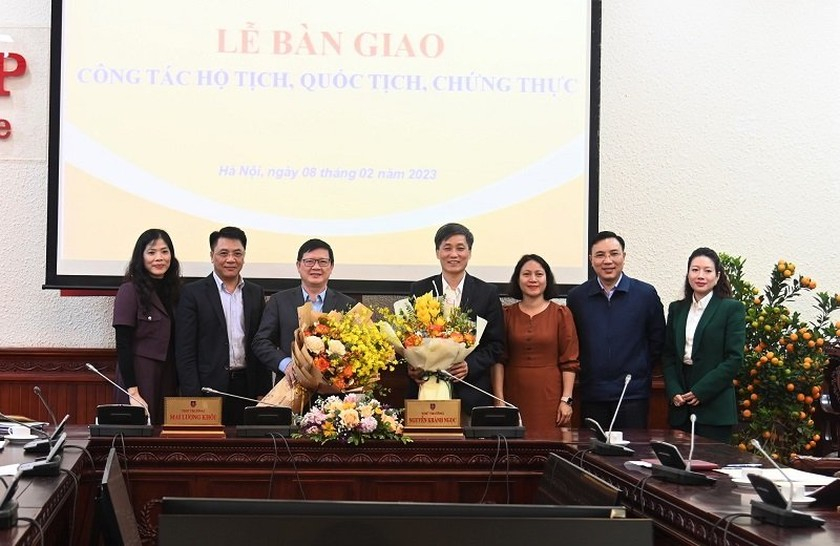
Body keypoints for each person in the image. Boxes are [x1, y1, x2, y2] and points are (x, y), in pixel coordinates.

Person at [567, 231, 665, 430]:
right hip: (593, 393)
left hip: (632, 394)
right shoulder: (577, 297)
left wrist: (639, 367)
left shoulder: (645, 294)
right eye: (600, 255)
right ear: (591, 260)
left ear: (624, 256)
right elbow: (574, 343)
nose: (607, 261)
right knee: (593, 448)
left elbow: (658, 340)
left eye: (614, 254)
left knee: (632, 448)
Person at [175, 226, 270, 425]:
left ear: (244, 256)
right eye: (223, 253)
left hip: (247, 386)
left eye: (237, 253)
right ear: (212, 256)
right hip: (208, 388)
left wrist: (263, 391)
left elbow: (260, 344)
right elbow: (185, 350)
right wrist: (193, 395)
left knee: (247, 441)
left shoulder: (255, 293)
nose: (231, 259)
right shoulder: (192, 294)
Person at [407, 223, 505, 414]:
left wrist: (470, 365)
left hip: (471, 393)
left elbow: (496, 345)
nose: (454, 254)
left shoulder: (487, 293)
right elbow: (407, 339)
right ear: (437, 252)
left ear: (469, 252)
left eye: (460, 248)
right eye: (447, 248)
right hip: (426, 391)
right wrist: (412, 365)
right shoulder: (419, 290)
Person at [491, 254, 580, 438]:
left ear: (547, 279)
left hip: (551, 395)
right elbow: (498, 359)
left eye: (539, 274)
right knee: (514, 446)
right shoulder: (506, 315)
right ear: (518, 279)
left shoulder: (561, 314)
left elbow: (570, 361)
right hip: (513, 392)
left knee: (551, 443)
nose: (533, 279)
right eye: (526, 274)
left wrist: (566, 400)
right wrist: (499, 399)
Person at [662, 247, 745, 443]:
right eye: (695, 270)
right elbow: (668, 354)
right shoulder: (677, 308)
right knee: (679, 459)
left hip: (714, 406)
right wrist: (674, 390)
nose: (700, 276)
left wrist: (702, 390)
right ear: (688, 274)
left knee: (711, 460)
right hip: (681, 404)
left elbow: (734, 358)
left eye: (707, 271)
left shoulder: (731, 308)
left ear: (717, 276)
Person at [253, 238, 356, 383]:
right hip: (290, 385)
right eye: (309, 261)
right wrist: (286, 364)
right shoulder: (279, 301)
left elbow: (356, 348)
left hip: (334, 388)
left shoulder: (347, 304)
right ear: (298, 265)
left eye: (323, 262)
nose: (316, 267)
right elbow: (261, 342)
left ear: (331, 266)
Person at [112, 228, 181, 425]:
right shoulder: (129, 291)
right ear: (140, 257)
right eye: (151, 252)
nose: (159, 258)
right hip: (139, 376)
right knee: (139, 430)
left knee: (164, 432)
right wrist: (132, 391)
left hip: (169, 374)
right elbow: (123, 344)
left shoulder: (177, 291)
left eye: (165, 251)